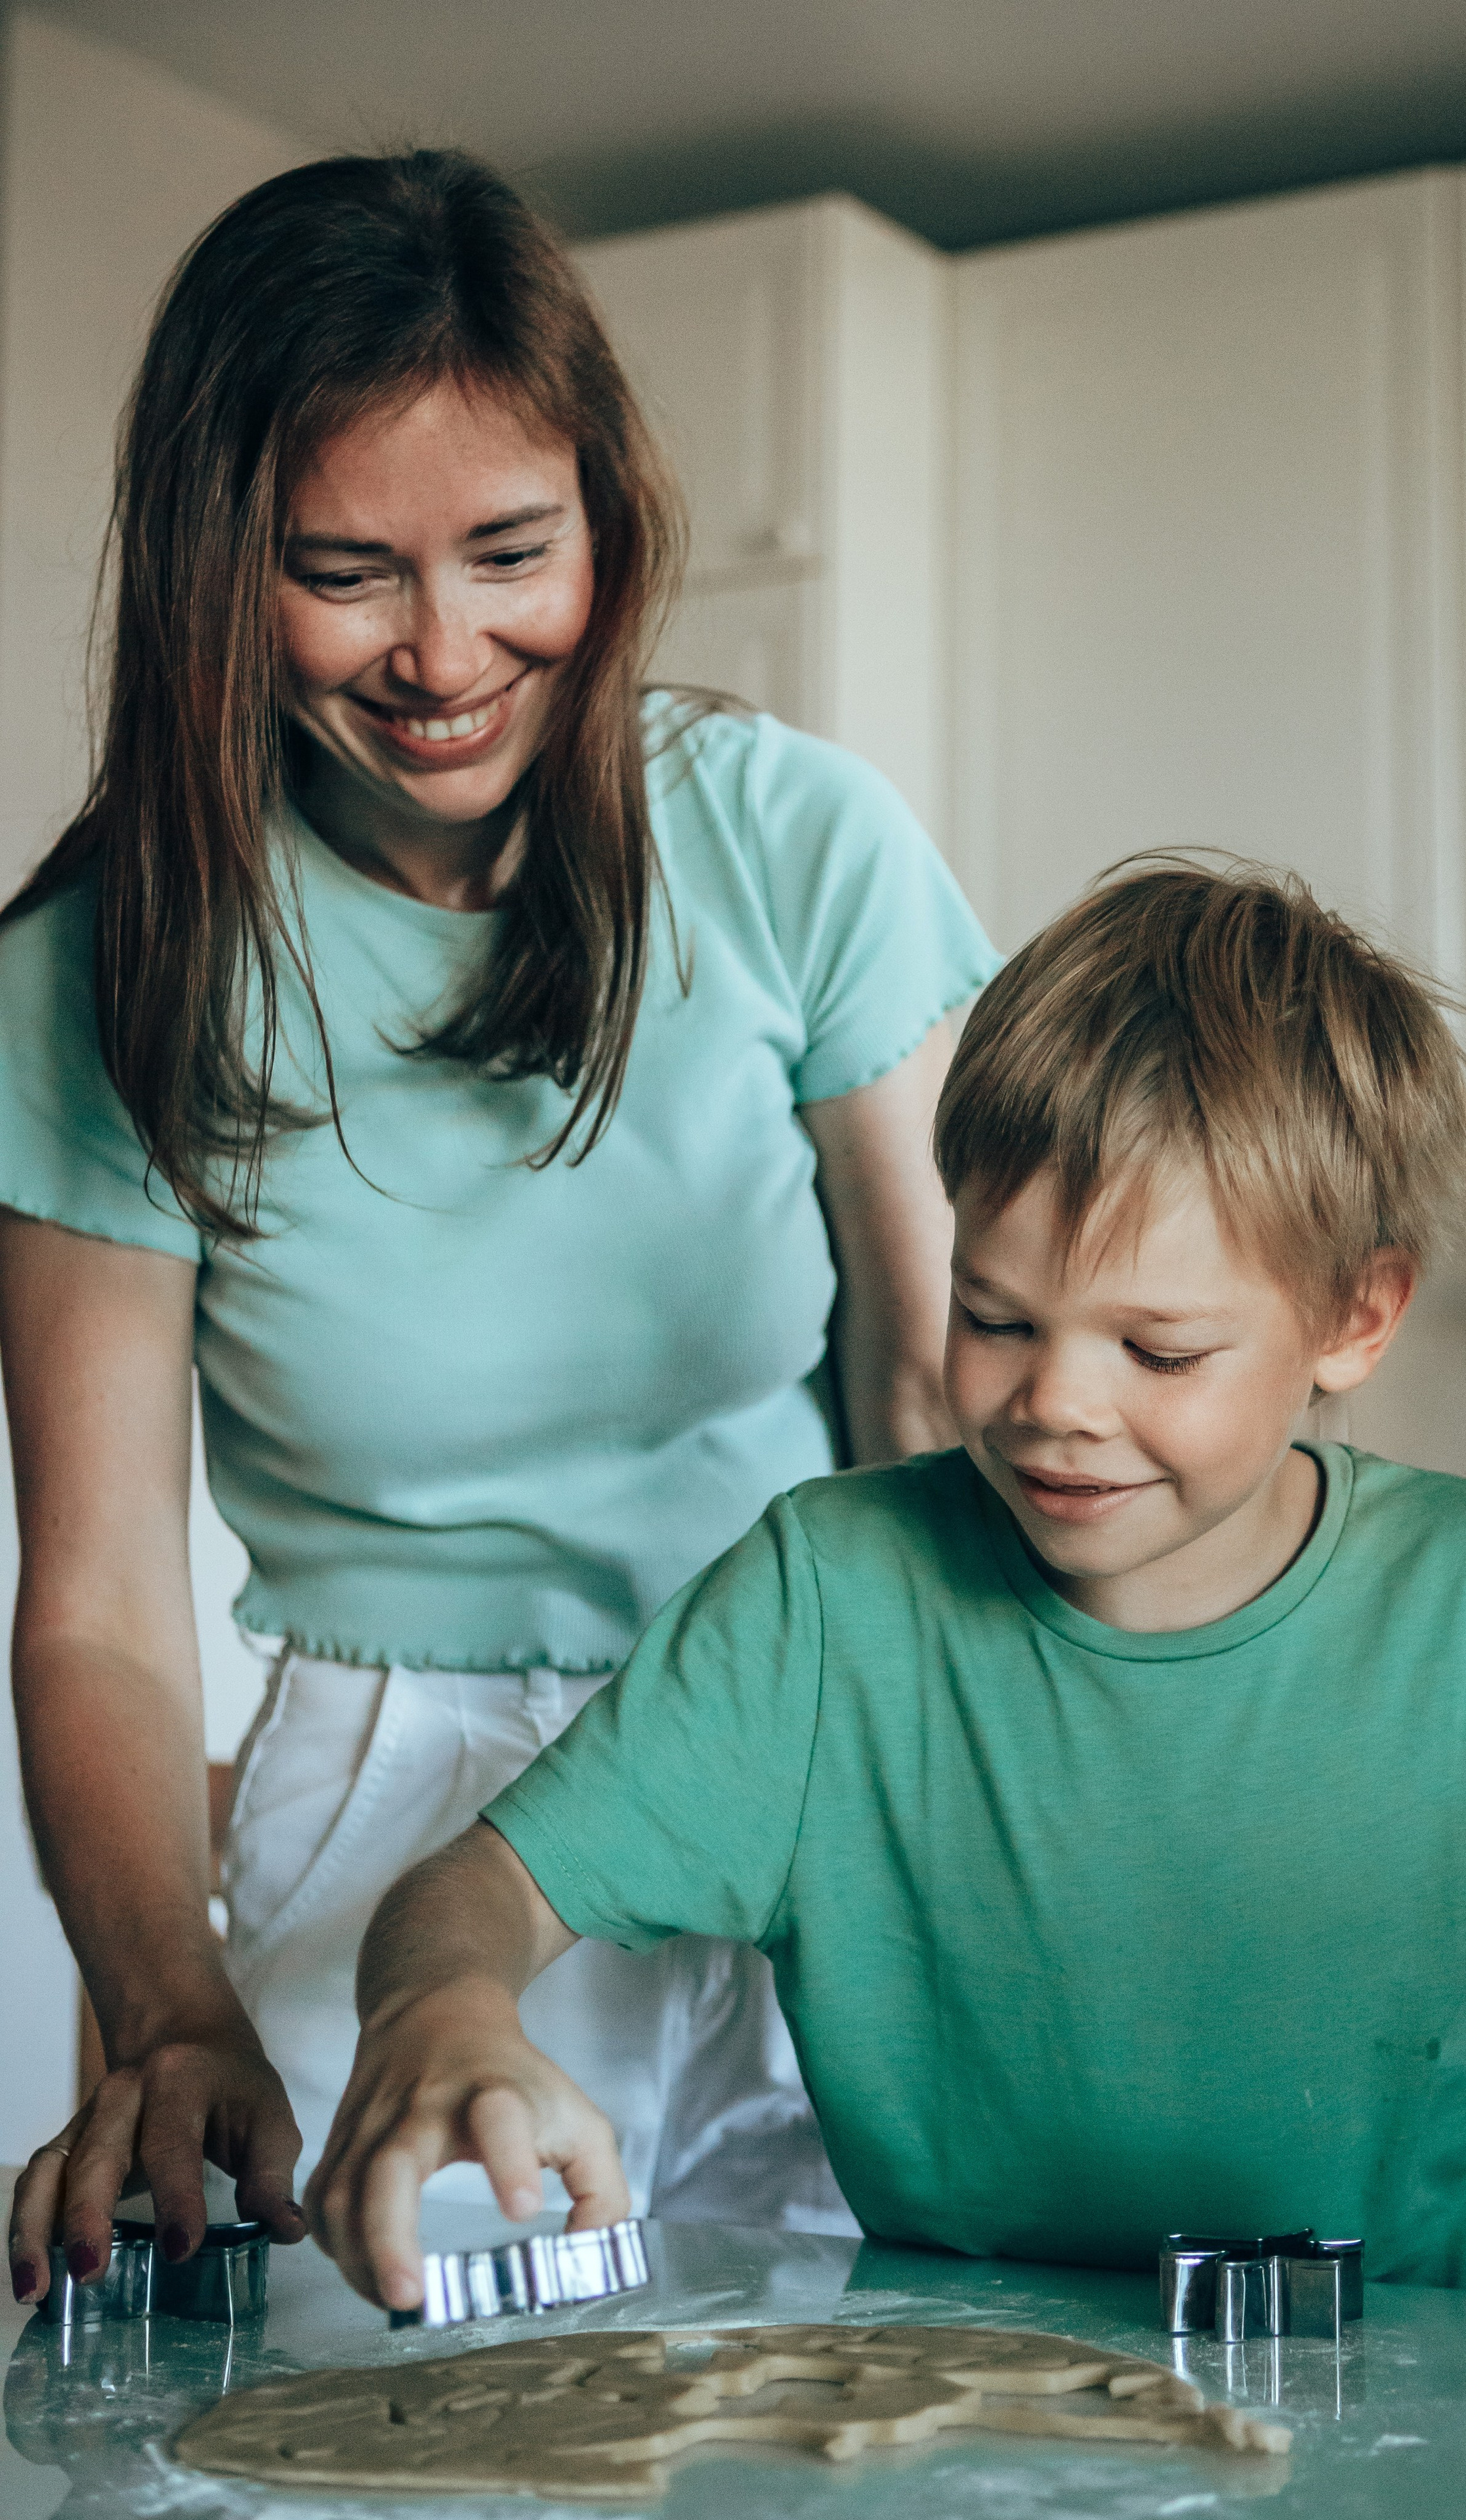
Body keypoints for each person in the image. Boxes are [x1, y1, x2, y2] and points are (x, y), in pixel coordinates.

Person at [3, 150, 999, 2310]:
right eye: (344, 572)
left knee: (860, 2411)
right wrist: (168, 2014)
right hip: (373, 1797)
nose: (442, 653)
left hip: (799, 1751)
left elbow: (937, 1394)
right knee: (357, 2426)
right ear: (214, 571)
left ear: (613, 529)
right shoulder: (112, 966)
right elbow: (94, 1600)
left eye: (510, 554)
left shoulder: (793, 843)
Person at [303, 861, 1466, 2315]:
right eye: (995, 1316)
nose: (1054, 1404)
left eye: (1155, 1350)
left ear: (1355, 1316)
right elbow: (480, 1891)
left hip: (1421, 2388)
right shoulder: (826, 1600)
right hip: (971, 2404)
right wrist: (439, 2007)